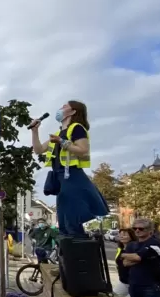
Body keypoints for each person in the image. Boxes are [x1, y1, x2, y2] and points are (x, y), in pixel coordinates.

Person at [30, 100, 108, 237]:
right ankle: (69, 251)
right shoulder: (58, 133)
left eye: (65, 106)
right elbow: (38, 149)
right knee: (64, 220)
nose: (60, 108)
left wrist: (61, 142)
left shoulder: (77, 128)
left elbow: (83, 150)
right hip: (61, 178)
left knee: (72, 219)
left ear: (73, 112)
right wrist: (35, 131)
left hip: (72, 176)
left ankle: (79, 250)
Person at [119, 218, 160, 297]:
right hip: (134, 285)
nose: (137, 231)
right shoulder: (132, 245)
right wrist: (139, 258)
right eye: (135, 228)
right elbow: (126, 263)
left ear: (150, 231)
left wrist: (124, 255)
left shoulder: (155, 243)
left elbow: (137, 257)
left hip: (151, 287)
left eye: (141, 228)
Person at [113, 228, 138, 297]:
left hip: (130, 281)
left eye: (124, 235)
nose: (121, 236)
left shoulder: (134, 248)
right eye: (120, 235)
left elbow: (126, 263)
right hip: (124, 280)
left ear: (131, 236)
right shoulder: (121, 248)